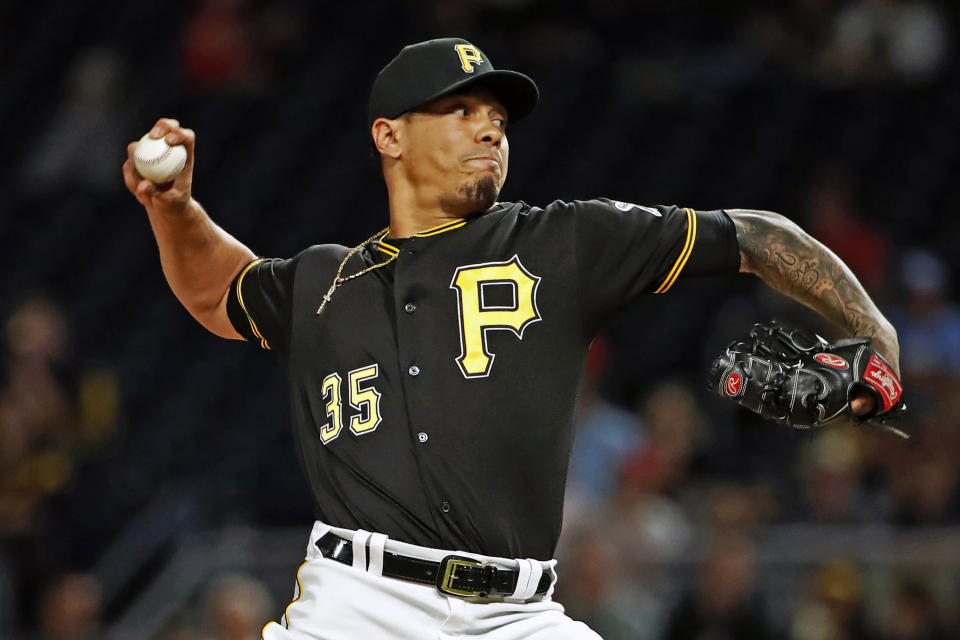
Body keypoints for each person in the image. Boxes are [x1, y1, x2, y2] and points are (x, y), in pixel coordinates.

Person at [122, 37, 900, 640]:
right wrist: (172, 208)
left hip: (519, 613)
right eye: (459, 110)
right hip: (359, 608)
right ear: (389, 136)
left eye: (495, 117)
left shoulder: (559, 242)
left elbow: (757, 235)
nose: (488, 127)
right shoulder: (324, 281)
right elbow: (219, 289)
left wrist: (877, 336)